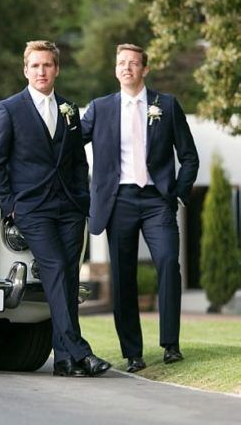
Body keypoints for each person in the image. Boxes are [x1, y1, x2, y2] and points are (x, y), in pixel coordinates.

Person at [0, 40, 111, 377]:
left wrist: (81, 199)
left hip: (69, 207)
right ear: (26, 70)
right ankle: (80, 351)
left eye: (47, 65)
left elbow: (77, 161)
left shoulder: (69, 109)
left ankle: (64, 360)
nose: (41, 71)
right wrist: (10, 205)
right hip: (31, 208)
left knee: (68, 277)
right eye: (35, 65)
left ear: (56, 69)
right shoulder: (8, 109)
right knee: (54, 268)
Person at [81, 44, 198, 372]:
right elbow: (70, 145)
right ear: (115, 69)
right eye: (121, 62)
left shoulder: (166, 105)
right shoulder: (100, 108)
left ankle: (171, 344)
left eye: (133, 63)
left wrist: (178, 194)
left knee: (168, 263)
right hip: (118, 202)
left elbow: (189, 156)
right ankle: (133, 353)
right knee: (123, 276)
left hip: (157, 200)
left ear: (145, 69)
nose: (126, 68)